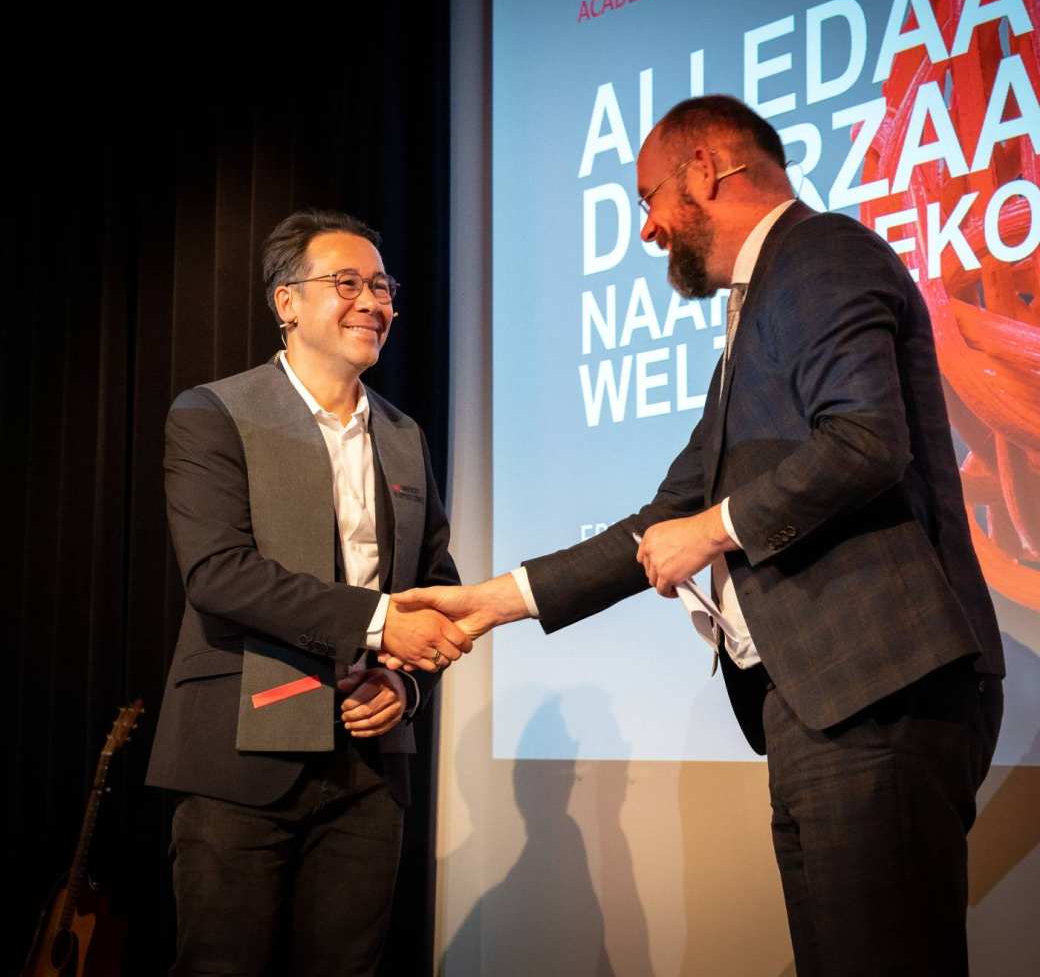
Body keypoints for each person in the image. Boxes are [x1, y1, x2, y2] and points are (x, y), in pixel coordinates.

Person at [390, 97, 1005, 976]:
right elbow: (658, 519)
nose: (645, 231)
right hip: (817, 704)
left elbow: (867, 441)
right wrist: (488, 604)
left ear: (706, 171)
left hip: (879, 691)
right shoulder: (758, 313)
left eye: (650, 198)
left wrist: (713, 531)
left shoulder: (822, 253)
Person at [146, 209, 470, 976]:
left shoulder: (403, 433)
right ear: (286, 303)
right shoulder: (214, 411)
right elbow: (219, 574)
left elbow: (435, 585)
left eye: (384, 286)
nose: (373, 301)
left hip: (368, 769)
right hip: (240, 755)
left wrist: (404, 684)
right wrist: (382, 622)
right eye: (347, 283)